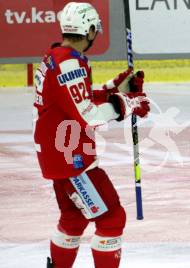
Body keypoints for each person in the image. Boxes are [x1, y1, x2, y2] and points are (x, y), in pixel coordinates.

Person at [33, 2, 150, 268]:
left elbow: (74, 100)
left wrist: (114, 87)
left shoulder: (57, 57)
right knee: (111, 218)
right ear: (89, 29)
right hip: (73, 161)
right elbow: (89, 116)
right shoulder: (69, 64)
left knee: (73, 219)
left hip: (59, 157)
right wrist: (127, 104)